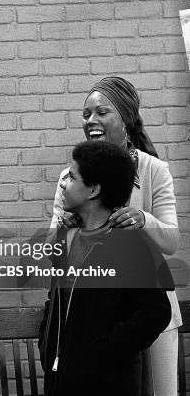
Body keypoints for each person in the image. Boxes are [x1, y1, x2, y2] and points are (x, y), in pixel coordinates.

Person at [50, 76, 181, 395]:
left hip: (148, 308)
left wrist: (143, 218)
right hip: (99, 319)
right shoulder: (70, 179)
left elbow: (171, 242)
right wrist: (63, 234)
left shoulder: (153, 170)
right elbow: (53, 259)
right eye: (86, 115)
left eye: (101, 112)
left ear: (126, 119)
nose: (91, 121)